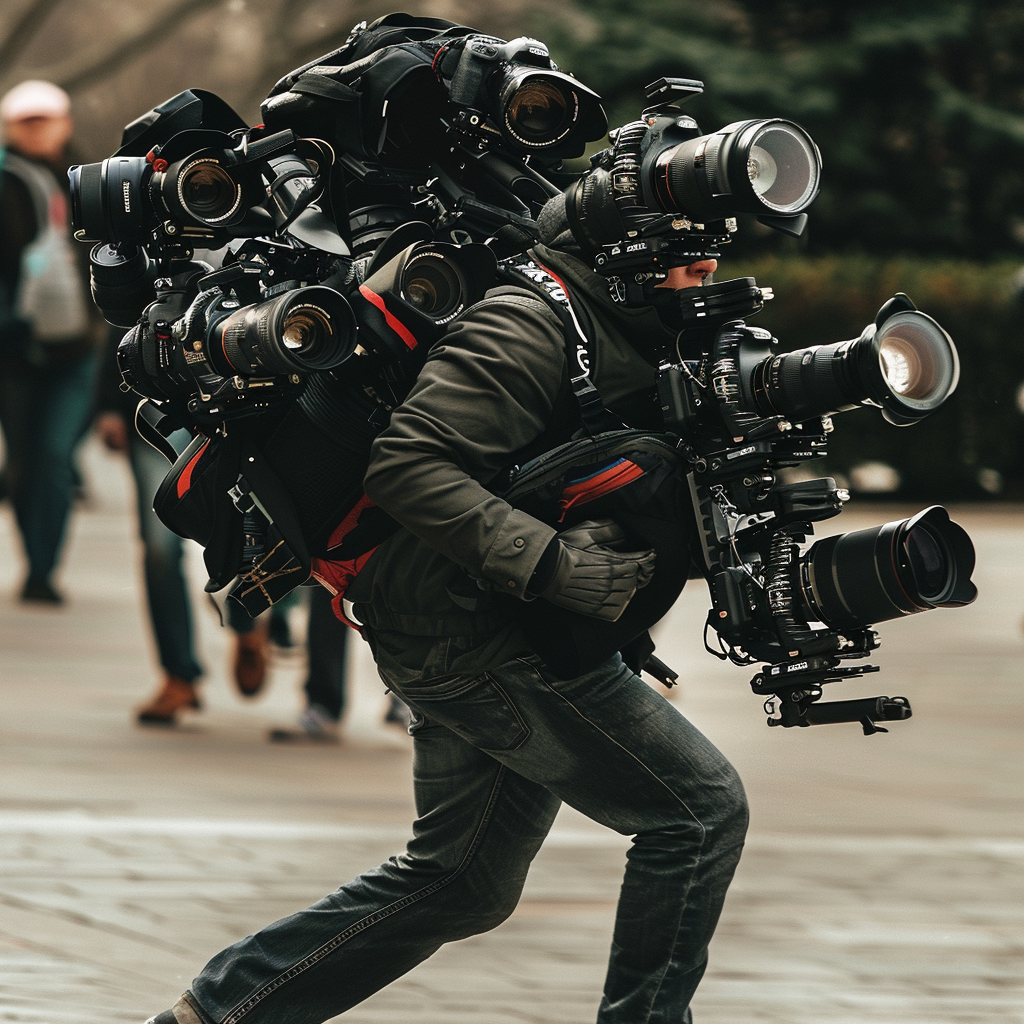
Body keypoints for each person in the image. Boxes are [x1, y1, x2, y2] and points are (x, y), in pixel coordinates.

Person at [146, 187, 748, 1022]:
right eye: (685, 252)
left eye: (714, 250)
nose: (707, 267)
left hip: (476, 617)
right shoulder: (530, 323)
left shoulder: (638, 325)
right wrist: (553, 568)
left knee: (464, 880)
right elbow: (409, 469)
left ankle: (217, 1013)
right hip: (473, 625)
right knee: (698, 811)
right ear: (626, 250)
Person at [0, 80, 99, 604]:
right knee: (22, 461)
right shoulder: (4, 180)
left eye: (45, 119)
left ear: (65, 123)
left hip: (77, 348)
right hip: (13, 350)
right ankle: (34, 558)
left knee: (55, 456)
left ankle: (46, 564)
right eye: (26, 121)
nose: (36, 130)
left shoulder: (95, 184)